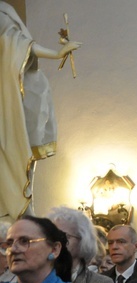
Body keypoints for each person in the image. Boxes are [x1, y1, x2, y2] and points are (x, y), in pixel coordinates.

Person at [0, 2, 81, 220]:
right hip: (6, 102)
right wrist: (56, 53)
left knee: (18, 154)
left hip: (10, 101)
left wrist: (56, 53)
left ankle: (19, 215)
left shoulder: (4, 11)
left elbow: (18, 43)